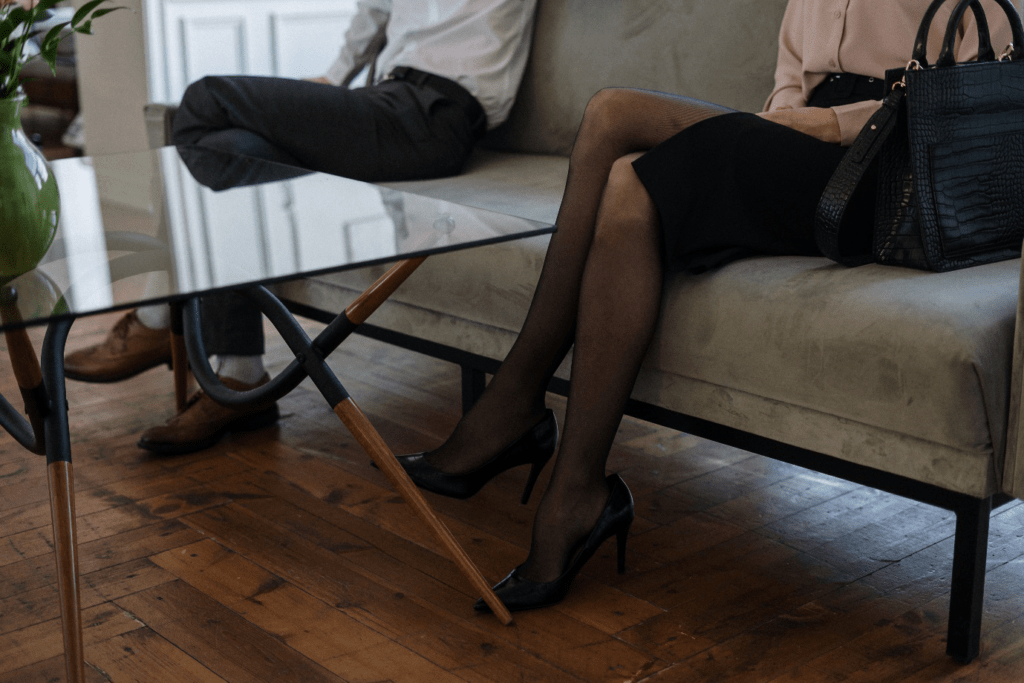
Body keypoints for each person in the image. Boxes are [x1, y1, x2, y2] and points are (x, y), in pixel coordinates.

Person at [393, 0, 1018, 612]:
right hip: (806, 145)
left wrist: (822, 127)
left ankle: (535, 438)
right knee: (620, 150)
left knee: (624, 151)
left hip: (895, 165)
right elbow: (791, 80)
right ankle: (553, 456)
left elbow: (977, 96)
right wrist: (778, 129)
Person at [63, 0, 538, 454]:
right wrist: (333, 77)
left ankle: (162, 314)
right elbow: (377, 9)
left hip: (435, 115)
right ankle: (241, 376)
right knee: (231, 146)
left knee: (204, 100)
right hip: (384, 96)